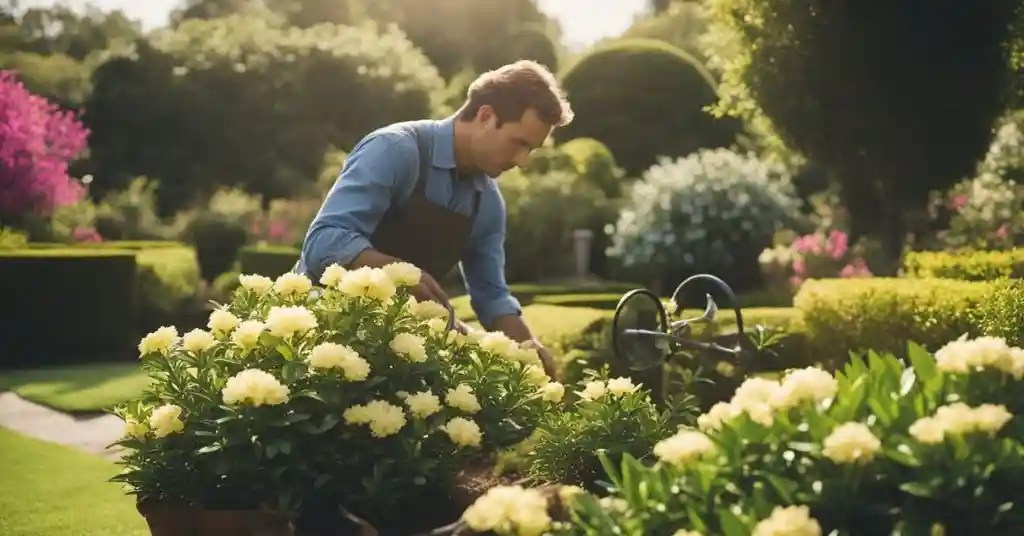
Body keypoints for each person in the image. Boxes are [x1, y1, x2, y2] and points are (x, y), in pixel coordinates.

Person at [295, 60, 574, 378]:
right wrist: (400, 274)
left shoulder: (488, 204)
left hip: (398, 363)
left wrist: (528, 347)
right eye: (520, 143)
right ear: (485, 116)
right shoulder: (394, 150)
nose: (523, 161)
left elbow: (491, 296)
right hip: (314, 345)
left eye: (531, 150)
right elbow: (322, 241)